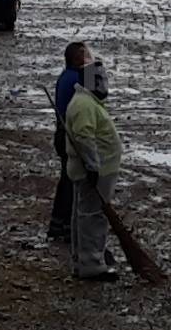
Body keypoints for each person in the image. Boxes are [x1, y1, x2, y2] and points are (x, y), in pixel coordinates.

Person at [64, 59, 123, 281]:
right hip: (96, 170)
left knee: (84, 214)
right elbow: (84, 138)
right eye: (99, 80)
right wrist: (92, 165)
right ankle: (91, 263)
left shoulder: (87, 102)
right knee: (92, 216)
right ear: (91, 81)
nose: (104, 84)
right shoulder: (84, 105)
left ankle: (84, 259)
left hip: (98, 169)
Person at [48, 41, 92, 242]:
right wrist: (92, 69)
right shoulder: (76, 79)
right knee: (71, 182)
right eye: (85, 54)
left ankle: (59, 223)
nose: (89, 57)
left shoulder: (66, 76)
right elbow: (95, 97)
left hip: (63, 133)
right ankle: (65, 225)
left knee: (67, 180)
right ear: (76, 58)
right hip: (69, 135)